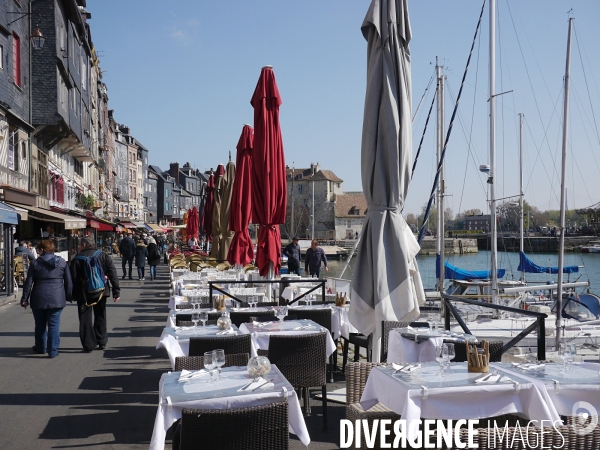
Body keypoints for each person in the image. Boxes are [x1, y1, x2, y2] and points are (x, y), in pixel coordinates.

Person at [20, 240, 72, 358]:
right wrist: (69, 296)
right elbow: (68, 282)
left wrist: (24, 299)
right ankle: (53, 350)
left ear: (42, 250)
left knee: (40, 324)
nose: (38, 252)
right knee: (54, 324)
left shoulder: (35, 263)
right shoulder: (62, 262)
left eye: (39, 250)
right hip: (57, 297)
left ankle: (41, 347)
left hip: (39, 297)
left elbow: (28, 283)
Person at [70, 236, 120, 352]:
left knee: (85, 319)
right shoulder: (103, 255)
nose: (78, 247)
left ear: (83, 245)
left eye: (79, 245)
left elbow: (73, 278)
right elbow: (112, 273)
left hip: (83, 293)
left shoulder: (77, 259)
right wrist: (116, 291)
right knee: (100, 315)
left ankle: (88, 344)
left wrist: (72, 294)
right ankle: (101, 340)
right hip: (101, 291)